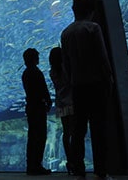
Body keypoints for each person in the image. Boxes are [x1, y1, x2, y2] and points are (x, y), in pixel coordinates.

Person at [60, 0, 113, 180]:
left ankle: (78, 168)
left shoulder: (65, 33)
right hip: (96, 84)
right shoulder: (93, 28)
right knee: (99, 128)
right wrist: (109, 78)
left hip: (77, 86)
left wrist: (71, 80)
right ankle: (100, 169)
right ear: (91, 11)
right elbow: (102, 56)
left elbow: (65, 63)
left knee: (78, 129)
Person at [22, 48, 52, 176]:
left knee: (32, 136)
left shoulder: (25, 73)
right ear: (33, 58)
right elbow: (43, 89)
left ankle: (31, 165)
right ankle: (37, 165)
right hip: (38, 107)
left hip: (30, 107)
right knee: (40, 136)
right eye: (37, 56)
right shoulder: (36, 72)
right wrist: (48, 101)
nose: (39, 58)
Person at [48, 47, 74, 175]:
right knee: (75, 132)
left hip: (61, 104)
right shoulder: (66, 70)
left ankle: (70, 160)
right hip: (71, 102)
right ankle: (75, 159)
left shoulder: (52, 72)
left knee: (66, 132)